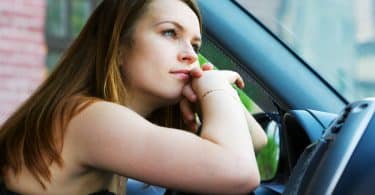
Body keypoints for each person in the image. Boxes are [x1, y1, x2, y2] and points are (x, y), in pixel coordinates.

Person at [0, 0, 268, 194]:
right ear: (117, 48)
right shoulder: (89, 118)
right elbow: (239, 171)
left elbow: (256, 140)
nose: (190, 55)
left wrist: (207, 87)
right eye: (169, 33)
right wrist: (214, 87)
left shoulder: (108, 121)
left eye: (195, 45)